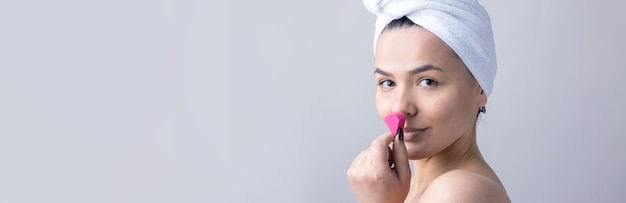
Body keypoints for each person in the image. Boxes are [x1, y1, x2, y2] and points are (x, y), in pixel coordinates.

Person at [347, 0, 511, 202]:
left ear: (479, 89)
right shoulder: (404, 190)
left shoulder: (459, 191)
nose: (399, 107)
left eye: (427, 82)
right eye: (388, 82)